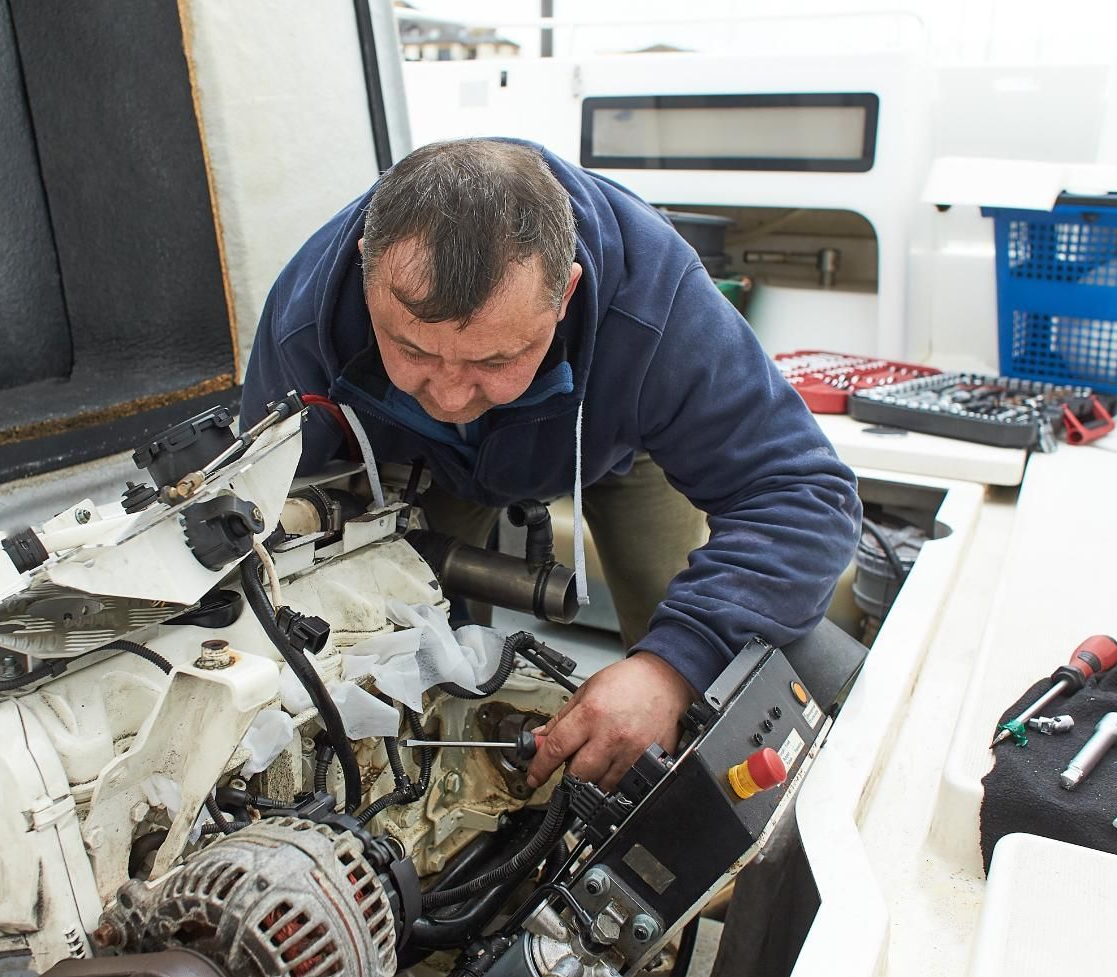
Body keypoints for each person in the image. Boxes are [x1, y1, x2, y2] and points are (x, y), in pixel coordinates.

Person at [242, 137, 861, 793]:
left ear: (565, 292)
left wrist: (672, 665)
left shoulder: (656, 304)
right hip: (420, 463)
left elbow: (804, 493)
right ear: (368, 272)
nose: (452, 396)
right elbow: (264, 507)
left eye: (493, 360)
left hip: (620, 441)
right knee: (407, 641)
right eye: (412, 349)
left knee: (690, 643)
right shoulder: (306, 319)